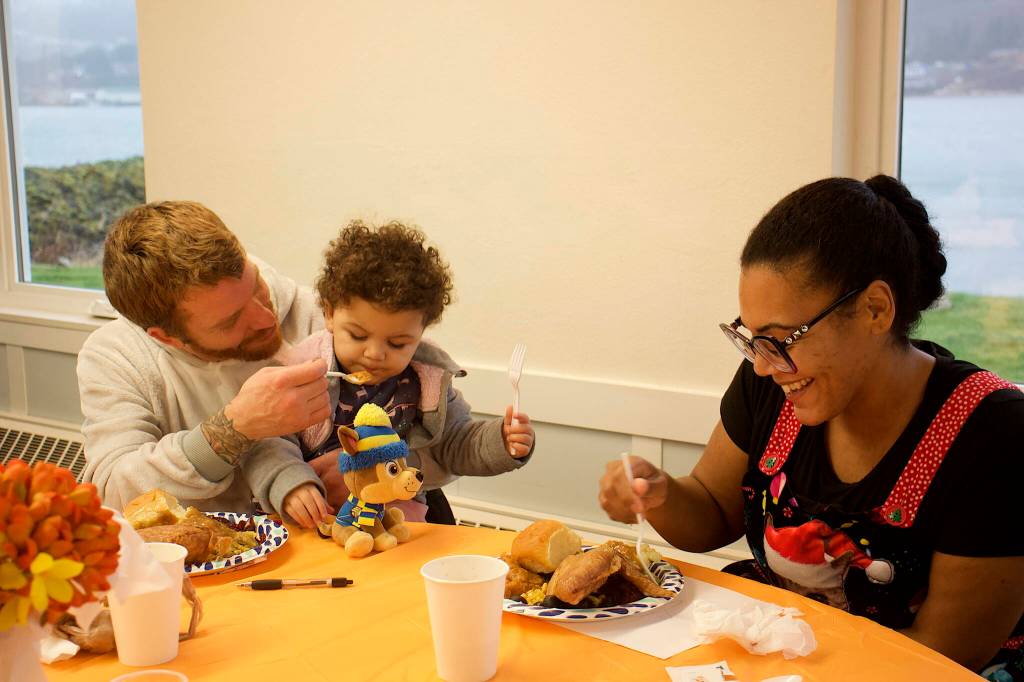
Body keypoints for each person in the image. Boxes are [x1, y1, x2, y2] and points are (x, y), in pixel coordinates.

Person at [597, 175, 1024, 676]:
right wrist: (662, 493)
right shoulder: (774, 382)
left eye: (782, 338)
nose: (761, 365)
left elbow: (943, 654)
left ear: (875, 309)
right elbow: (713, 510)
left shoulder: (993, 434)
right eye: (752, 338)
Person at [79, 201, 333, 527]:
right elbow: (112, 490)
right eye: (231, 322)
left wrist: (376, 463)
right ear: (167, 337)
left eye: (257, 287)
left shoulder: (319, 313)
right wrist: (235, 429)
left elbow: (417, 410)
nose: (265, 318)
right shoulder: (116, 355)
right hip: (205, 565)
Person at [291, 220, 535, 525]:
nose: (375, 354)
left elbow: (455, 443)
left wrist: (502, 439)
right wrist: (291, 484)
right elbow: (273, 442)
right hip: (316, 519)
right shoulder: (301, 370)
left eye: (397, 343)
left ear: (420, 333)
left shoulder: (426, 378)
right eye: (357, 336)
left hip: (399, 521)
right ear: (328, 313)